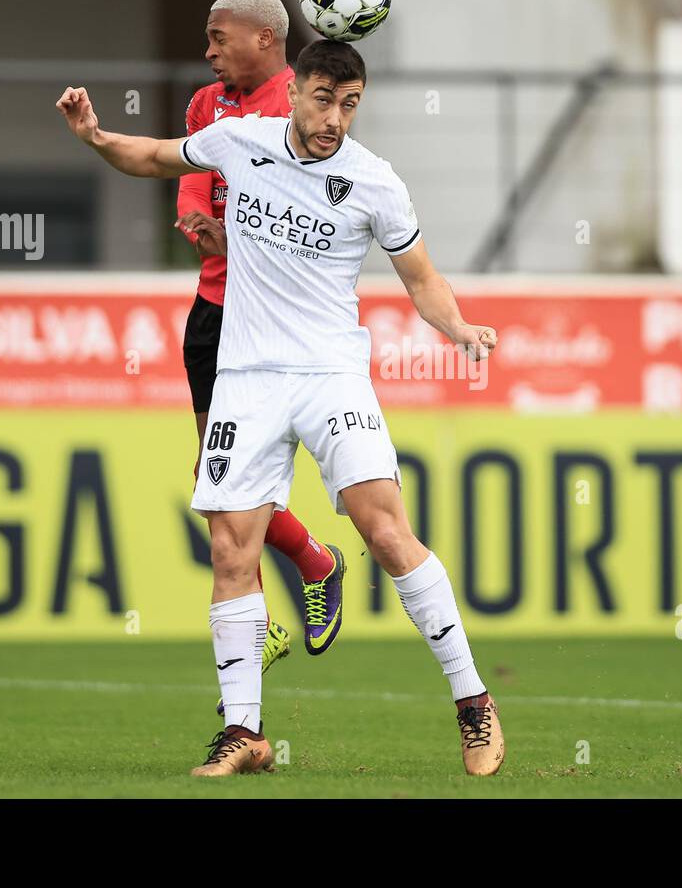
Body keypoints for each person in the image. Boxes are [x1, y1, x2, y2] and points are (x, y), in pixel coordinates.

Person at [57, 39, 506, 778]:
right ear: (293, 90)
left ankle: (472, 700)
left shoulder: (374, 181)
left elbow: (421, 279)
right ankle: (245, 733)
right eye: (325, 99)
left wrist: (457, 326)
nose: (335, 119)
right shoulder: (239, 140)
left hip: (332, 375)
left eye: (351, 104)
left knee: (386, 532)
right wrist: (98, 137)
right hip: (247, 377)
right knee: (232, 549)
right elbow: (154, 158)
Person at [174, 0, 349, 720]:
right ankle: (312, 565)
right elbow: (189, 180)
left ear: (263, 39)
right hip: (214, 315)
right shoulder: (205, 105)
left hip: (276, 327)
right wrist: (195, 218)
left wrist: (245, 238)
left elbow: (313, 208)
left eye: (219, 39)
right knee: (216, 486)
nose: (210, 52)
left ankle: (288, 599)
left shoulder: (299, 107)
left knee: (233, 493)